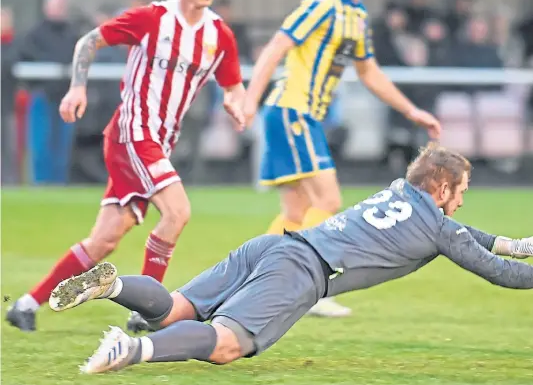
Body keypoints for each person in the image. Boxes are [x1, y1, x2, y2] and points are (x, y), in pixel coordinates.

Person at [49, 142, 533, 374]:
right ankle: (128, 351)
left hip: (276, 245)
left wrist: (514, 243)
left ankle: (113, 287)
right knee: (225, 345)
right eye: (462, 191)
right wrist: (513, 258)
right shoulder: (440, 228)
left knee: (175, 309)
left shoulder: (402, 190)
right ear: (443, 187)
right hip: (303, 271)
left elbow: (461, 231)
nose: (463, 200)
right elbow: (501, 275)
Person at [6, 0, 246, 333]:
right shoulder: (153, 18)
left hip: (157, 142)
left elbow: (234, 86)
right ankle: (148, 310)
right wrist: (77, 88)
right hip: (133, 133)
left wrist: (238, 104)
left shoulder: (219, 35)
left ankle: (26, 305)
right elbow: (88, 42)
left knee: (103, 241)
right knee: (178, 211)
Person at [242, 0, 442, 317]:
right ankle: (310, 289)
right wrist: (250, 99)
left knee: (296, 214)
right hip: (291, 111)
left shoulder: (358, 16)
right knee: (329, 202)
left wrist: (411, 110)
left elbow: (368, 72)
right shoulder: (322, 4)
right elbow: (274, 48)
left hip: (302, 116)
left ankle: (248, 280)